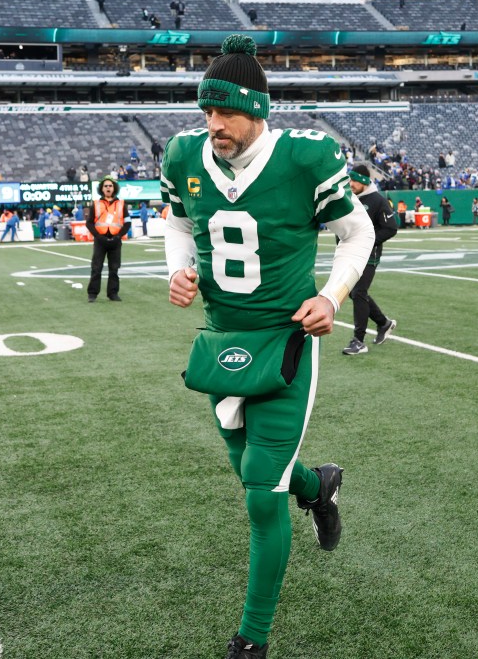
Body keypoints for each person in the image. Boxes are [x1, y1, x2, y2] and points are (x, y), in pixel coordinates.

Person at [161, 35, 374, 659]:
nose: (213, 124)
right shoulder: (184, 156)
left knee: (259, 491)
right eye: (206, 112)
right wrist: (179, 269)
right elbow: (177, 222)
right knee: (262, 474)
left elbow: (356, 234)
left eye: (225, 112)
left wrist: (332, 297)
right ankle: (318, 488)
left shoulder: (305, 157)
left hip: (286, 338)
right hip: (221, 340)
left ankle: (251, 640)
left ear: (258, 109)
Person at [342, 165, 399, 355]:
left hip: (369, 256)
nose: (352, 184)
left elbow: (390, 227)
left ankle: (358, 341)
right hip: (350, 253)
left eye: (355, 180)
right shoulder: (350, 198)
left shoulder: (377, 200)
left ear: (365, 181)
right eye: (350, 180)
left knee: (358, 292)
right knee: (353, 292)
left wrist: (368, 242)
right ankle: (384, 323)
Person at [86, 176, 129, 302]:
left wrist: (118, 236)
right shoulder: (96, 204)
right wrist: (98, 236)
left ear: (114, 188)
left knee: (114, 269)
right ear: (102, 189)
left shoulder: (121, 204)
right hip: (100, 240)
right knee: (96, 267)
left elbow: (127, 223)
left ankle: (113, 293)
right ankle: (92, 294)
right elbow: (89, 223)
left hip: (115, 241)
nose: (108, 188)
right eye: (105, 186)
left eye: (110, 186)